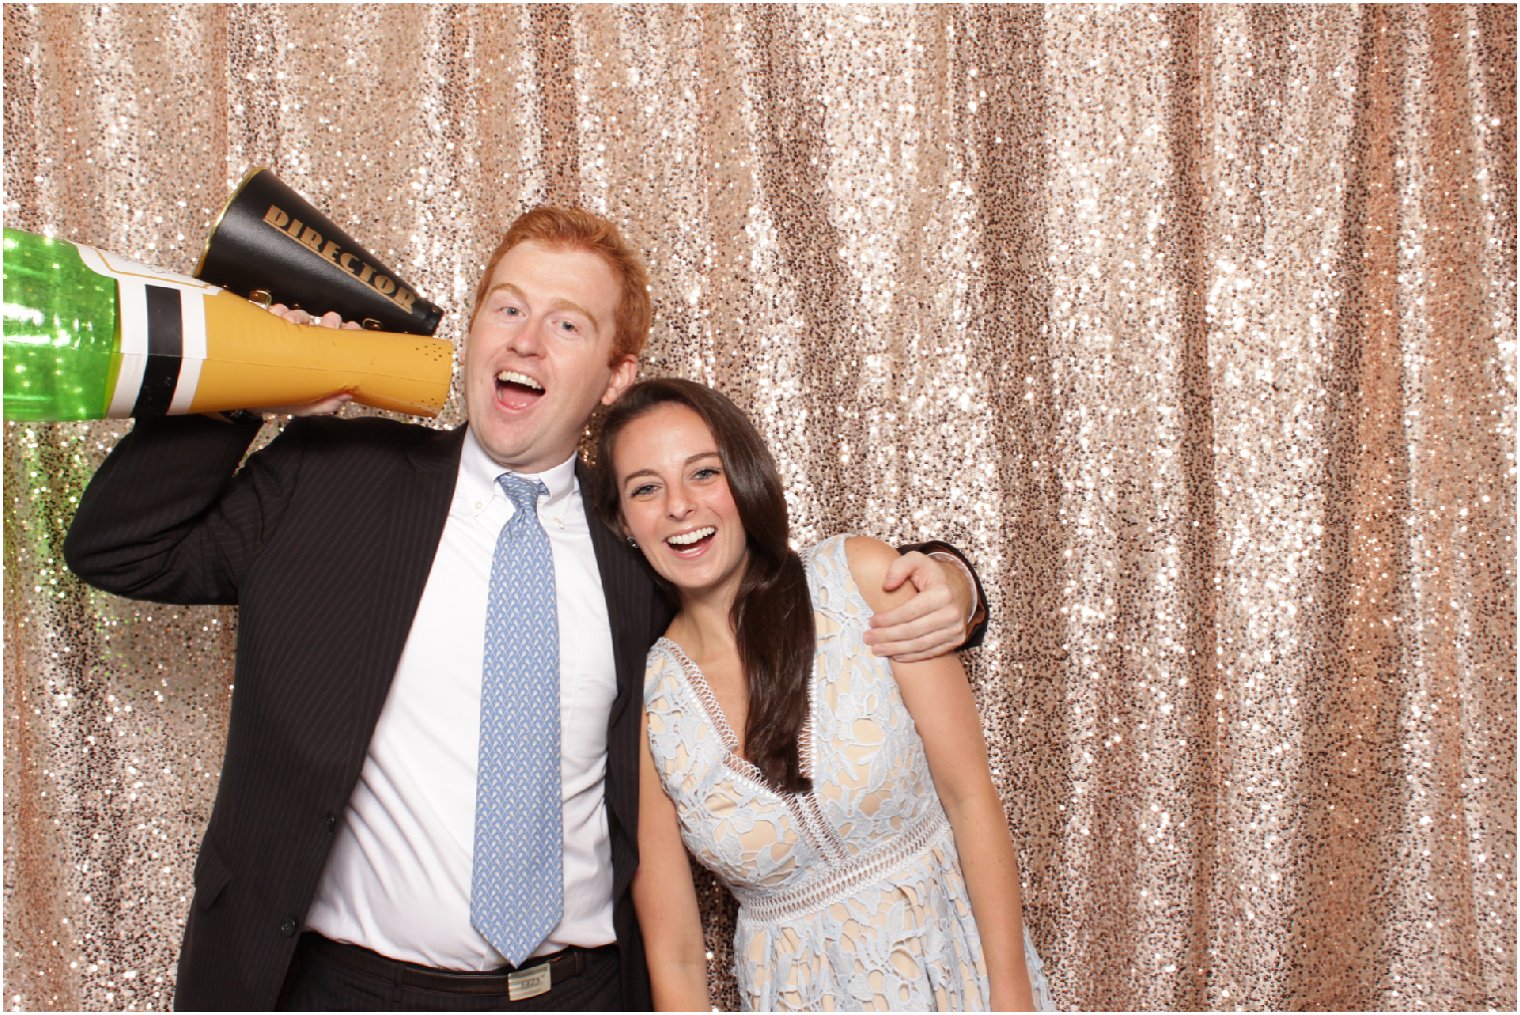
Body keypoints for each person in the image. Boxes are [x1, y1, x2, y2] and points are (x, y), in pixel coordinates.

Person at [62, 205, 989, 1011]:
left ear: (616, 375)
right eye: (506, 307)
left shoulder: (642, 530)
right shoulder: (331, 478)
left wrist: (952, 581)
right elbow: (117, 546)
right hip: (345, 991)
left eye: (566, 324)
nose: (524, 340)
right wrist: (247, 390)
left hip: (577, 993)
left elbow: (786, 590)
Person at [595, 377, 1052, 1012]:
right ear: (623, 522)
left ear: (744, 477)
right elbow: (673, 950)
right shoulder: (647, 705)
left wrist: (1013, 1000)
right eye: (646, 487)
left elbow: (970, 797)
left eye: (704, 473)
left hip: (960, 978)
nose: (679, 505)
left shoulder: (860, 578)